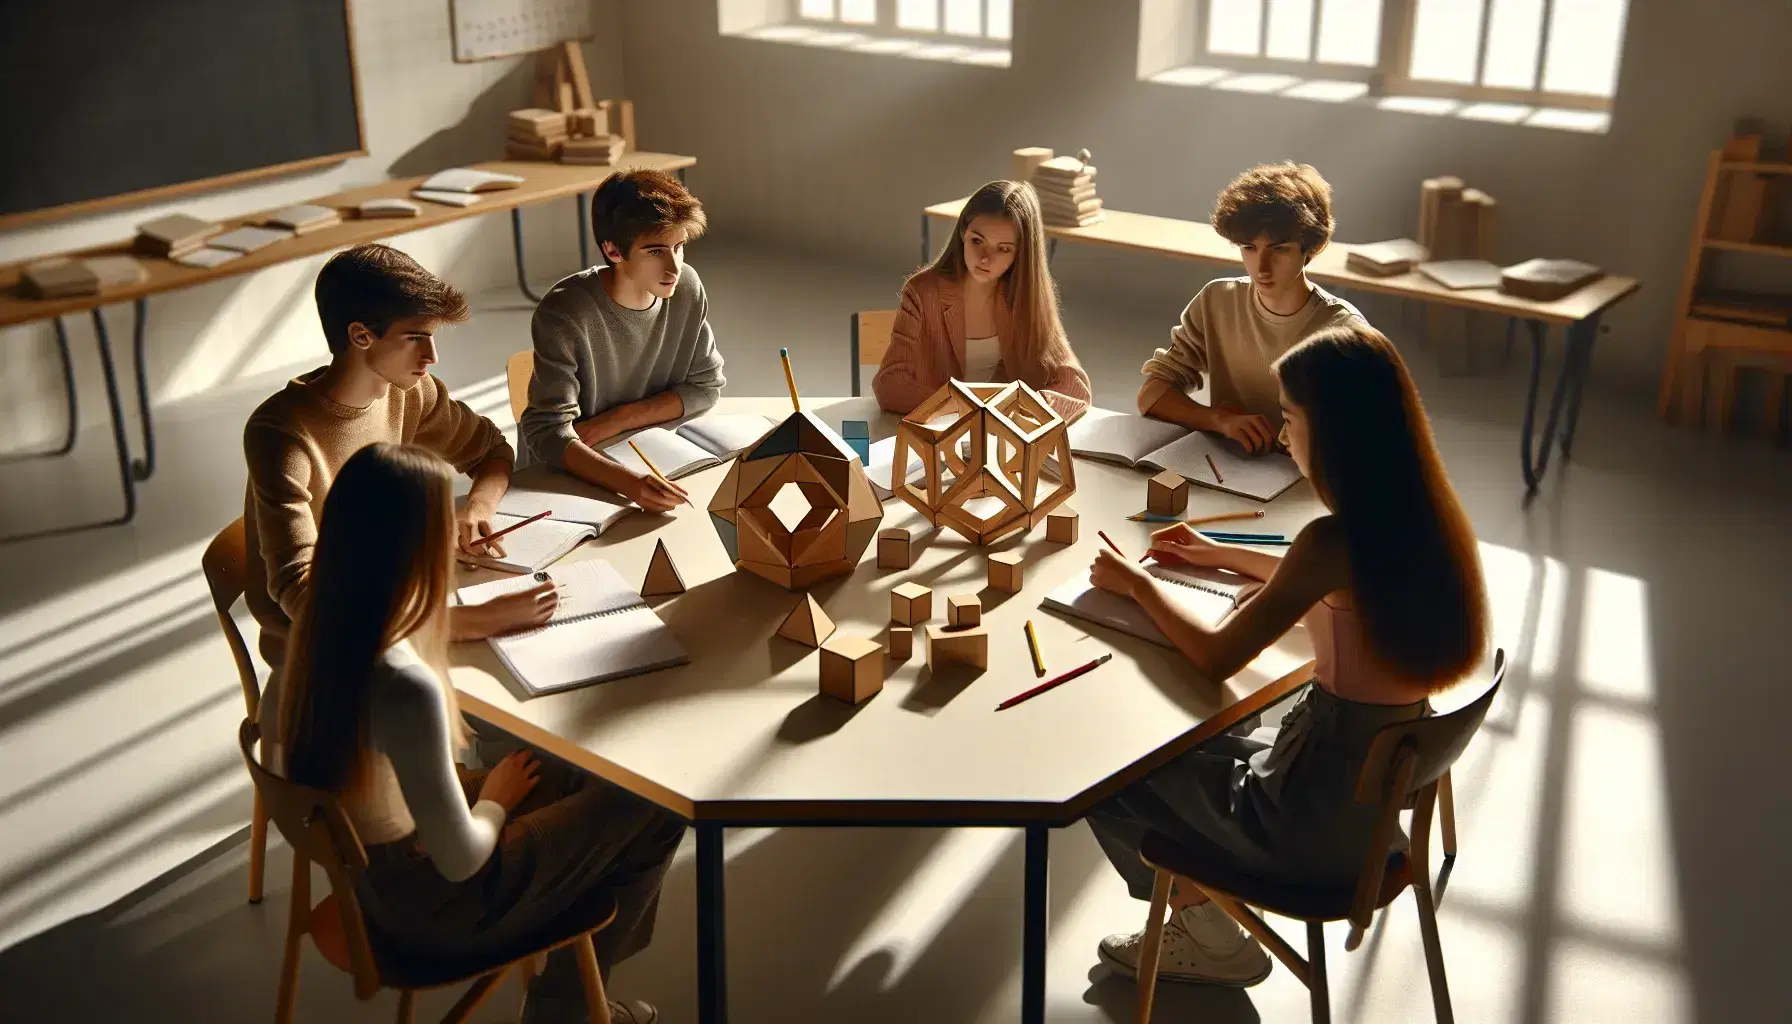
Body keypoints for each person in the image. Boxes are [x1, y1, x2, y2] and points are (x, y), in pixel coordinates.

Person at [1084, 325, 1487, 987]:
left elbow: (1217, 657)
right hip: (1367, 811)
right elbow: (1317, 580)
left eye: (1291, 419)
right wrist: (1220, 554)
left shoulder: (1329, 541)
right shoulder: (1421, 520)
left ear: (1334, 433)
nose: (1279, 436)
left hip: (1305, 821)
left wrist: (1138, 585)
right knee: (1213, 736)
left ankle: (1210, 936)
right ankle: (1207, 920)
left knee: (1110, 775)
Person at [278, 443, 682, 1024]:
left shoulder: (313, 638)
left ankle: (571, 985)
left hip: (366, 876)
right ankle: (563, 1012)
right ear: (417, 548)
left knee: (568, 770)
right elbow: (462, 859)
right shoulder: (405, 685)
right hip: (435, 910)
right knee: (657, 801)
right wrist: (494, 801)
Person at [243, 243, 557, 715]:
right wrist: (468, 621)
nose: (431, 355)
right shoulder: (282, 434)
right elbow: (307, 602)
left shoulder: (409, 392)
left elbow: (491, 450)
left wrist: (477, 509)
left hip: (398, 603)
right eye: (415, 337)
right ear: (361, 335)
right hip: (331, 661)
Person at [519, 169, 724, 510]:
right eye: (655, 252)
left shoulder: (686, 286)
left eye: (679, 246)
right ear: (613, 251)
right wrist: (628, 484)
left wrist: (617, 420)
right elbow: (547, 432)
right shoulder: (565, 311)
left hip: (643, 452)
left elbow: (706, 388)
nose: (674, 268)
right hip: (566, 476)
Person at [1137, 162, 1367, 454]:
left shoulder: (1344, 331)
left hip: (1306, 485)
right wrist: (1218, 420)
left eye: (1279, 249)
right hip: (1227, 470)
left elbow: (1360, 438)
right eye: (1249, 248)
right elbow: (1152, 394)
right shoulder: (1217, 300)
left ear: (1310, 249)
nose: (1262, 267)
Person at [873, 179, 1091, 421]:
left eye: (1003, 249)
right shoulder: (923, 293)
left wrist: (1032, 411)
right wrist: (969, 406)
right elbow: (890, 387)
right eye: (977, 241)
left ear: (1021, 254)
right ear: (962, 232)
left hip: (1003, 442)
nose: (985, 258)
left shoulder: (1028, 296)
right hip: (938, 436)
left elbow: (1075, 386)